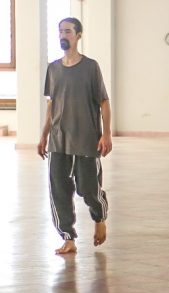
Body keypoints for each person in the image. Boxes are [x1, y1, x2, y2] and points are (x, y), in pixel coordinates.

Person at [37, 17, 112, 255]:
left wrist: (107, 133)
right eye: (60, 31)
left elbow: (104, 102)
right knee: (59, 189)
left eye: (68, 31)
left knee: (88, 189)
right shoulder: (53, 68)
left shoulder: (91, 67)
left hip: (87, 139)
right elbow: (52, 106)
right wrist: (43, 136)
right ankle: (68, 237)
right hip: (59, 139)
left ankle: (99, 216)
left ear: (78, 35)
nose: (63, 35)